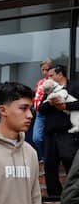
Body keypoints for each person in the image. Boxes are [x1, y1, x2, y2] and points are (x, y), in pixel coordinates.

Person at [38, 64, 79, 197]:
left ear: (60, 74)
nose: (47, 78)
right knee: (50, 164)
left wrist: (65, 106)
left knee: (70, 160)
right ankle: (54, 195)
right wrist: (50, 103)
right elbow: (41, 110)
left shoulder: (74, 86)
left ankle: (73, 194)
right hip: (50, 133)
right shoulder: (49, 90)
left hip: (68, 132)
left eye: (51, 75)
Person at [31, 58, 53, 157]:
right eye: (43, 70)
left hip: (50, 113)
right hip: (39, 113)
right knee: (36, 138)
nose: (44, 72)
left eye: (47, 69)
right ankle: (43, 157)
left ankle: (48, 158)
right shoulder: (40, 82)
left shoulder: (55, 81)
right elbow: (35, 96)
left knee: (49, 138)